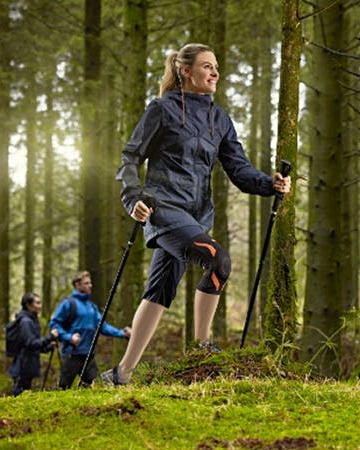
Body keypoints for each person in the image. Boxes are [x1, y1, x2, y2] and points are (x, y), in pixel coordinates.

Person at [101, 43, 291, 386]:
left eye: (216, 66)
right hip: (165, 210)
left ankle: (120, 374)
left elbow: (239, 169)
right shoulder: (161, 110)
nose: (215, 72)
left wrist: (269, 184)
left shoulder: (220, 120)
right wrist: (133, 198)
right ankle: (203, 348)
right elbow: (130, 157)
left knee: (158, 291)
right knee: (219, 261)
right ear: (185, 71)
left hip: (198, 216)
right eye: (207, 66)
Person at [49, 271, 131, 388]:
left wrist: (122, 333)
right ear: (77, 285)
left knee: (96, 386)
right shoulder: (68, 303)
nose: (90, 285)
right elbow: (54, 324)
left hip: (88, 354)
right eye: (86, 283)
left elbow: (102, 326)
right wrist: (69, 337)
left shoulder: (91, 307)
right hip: (71, 354)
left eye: (90, 283)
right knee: (63, 386)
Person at [7, 292, 58, 396]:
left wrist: (48, 347)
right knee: (20, 396)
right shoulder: (26, 322)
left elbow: (34, 345)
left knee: (24, 394)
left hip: (27, 365)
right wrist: (50, 337)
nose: (40, 306)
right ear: (28, 305)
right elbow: (31, 343)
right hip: (22, 366)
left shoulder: (31, 320)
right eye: (37, 303)